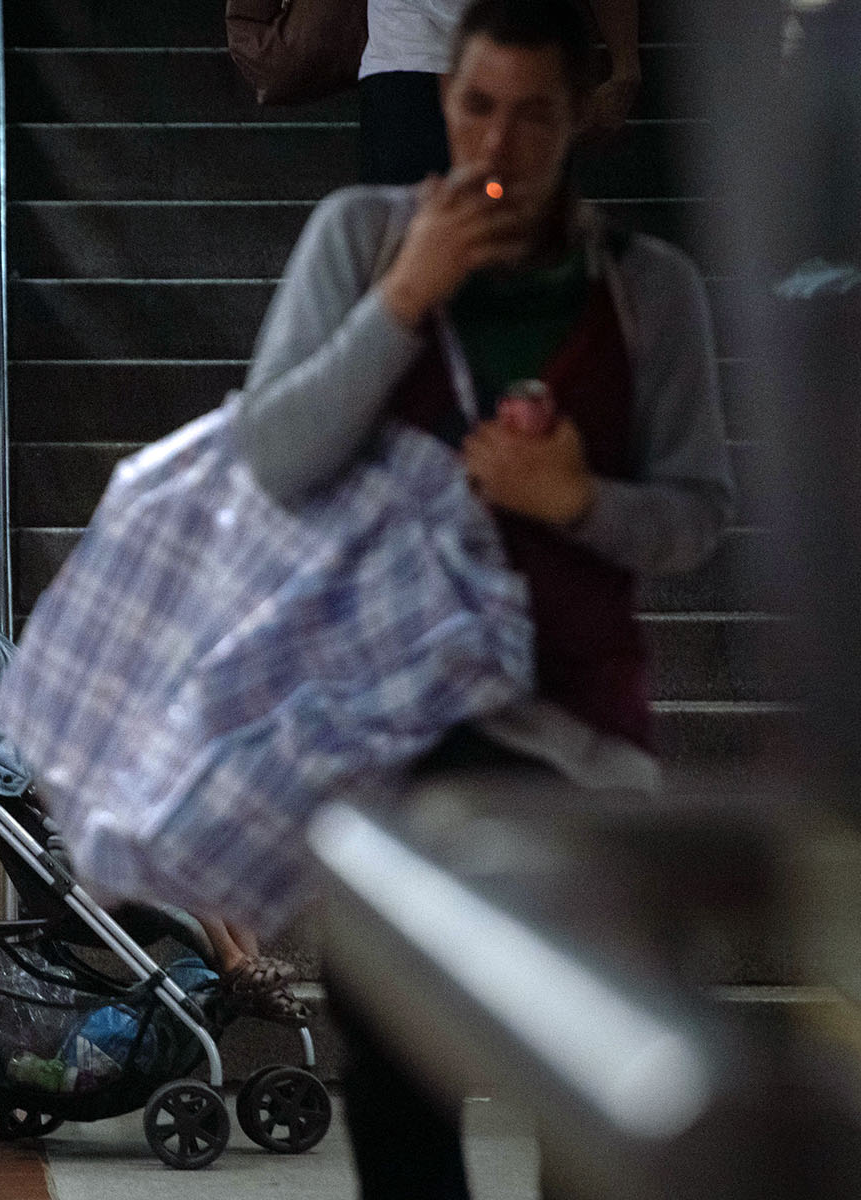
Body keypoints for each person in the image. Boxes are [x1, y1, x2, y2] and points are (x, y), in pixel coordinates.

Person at [233, 0, 735, 1194]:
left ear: (581, 119)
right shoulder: (359, 241)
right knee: (407, 1123)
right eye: (476, 107)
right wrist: (400, 302)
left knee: (588, 1114)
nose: (499, 145)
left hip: (578, 739)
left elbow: (697, 522)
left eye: (534, 115)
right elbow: (269, 462)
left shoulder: (647, 289)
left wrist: (579, 504)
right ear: (433, 99)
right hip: (390, 738)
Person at [360, 0, 642, 183]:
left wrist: (625, 66)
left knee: (528, 232)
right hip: (409, 55)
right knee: (401, 228)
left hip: (530, 55)